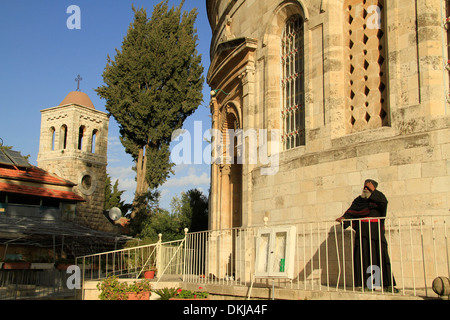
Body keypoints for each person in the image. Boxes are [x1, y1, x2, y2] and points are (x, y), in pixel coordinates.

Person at [336, 179, 398, 292]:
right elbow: (351, 212)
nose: (365, 189)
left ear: (373, 189)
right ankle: (369, 285)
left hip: (376, 232)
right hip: (363, 232)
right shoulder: (359, 201)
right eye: (364, 187)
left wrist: (373, 192)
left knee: (380, 257)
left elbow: (384, 203)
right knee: (364, 257)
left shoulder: (378, 200)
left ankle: (387, 284)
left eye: (368, 188)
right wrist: (344, 218)